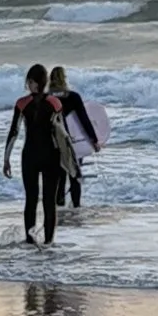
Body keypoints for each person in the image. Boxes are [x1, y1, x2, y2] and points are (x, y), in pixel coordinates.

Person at [2, 62, 71, 244]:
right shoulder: (55, 103)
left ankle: (32, 242)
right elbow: (64, 134)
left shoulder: (23, 104)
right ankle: (48, 243)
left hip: (31, 156)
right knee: (47, 202)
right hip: (50, 156)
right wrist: (69, 160)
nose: (28, 85)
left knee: (33, 201)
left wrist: (6, 159)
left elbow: (14, 132)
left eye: (30, 81)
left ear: (35, 82)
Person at [48, 64, 100, 212]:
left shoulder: (47, 98)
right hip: (72, 142)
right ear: (64, 79)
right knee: (75, 175)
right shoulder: (73, 97)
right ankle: (76, 209)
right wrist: (94, 140)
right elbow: (84, 120)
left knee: (59, 177)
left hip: (52, 143)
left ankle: (59, 211)